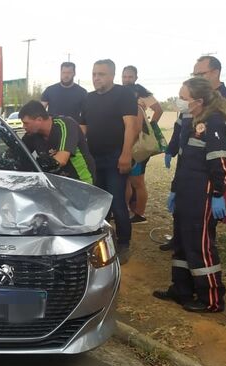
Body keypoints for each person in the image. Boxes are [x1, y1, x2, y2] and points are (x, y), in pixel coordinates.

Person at [153, 77, 226, 313]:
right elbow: (185, 161)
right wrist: (174, 190)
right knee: (181, 241)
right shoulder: (192, 120)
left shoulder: (214, 121)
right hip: (186, 192)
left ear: (198, 101)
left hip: (203, 194)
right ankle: (182, 288)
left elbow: (221, 161)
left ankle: (211, 298)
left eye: (184, 98)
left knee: (200, 245)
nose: (180, 101)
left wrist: (218, 193)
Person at [81, 59, 138, 264]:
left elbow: (130, 126)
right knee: (97, 202)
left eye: (101, 74)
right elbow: (83, 128)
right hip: (93, 158)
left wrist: (125, 154)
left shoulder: (124, 94)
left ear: (112, 75)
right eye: (94, 74)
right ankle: (101, 240)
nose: (96, 78)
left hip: (115, 156)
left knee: (117, 202)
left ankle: (124, 243)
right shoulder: (88, 98)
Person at [122, 66, 165, 224]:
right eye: (124, 76)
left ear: (136, 77)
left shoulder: (143, 94)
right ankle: (125, 209)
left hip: (138, 146)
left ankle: (139, 214)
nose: (127, 79)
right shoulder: (119, 92)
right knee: (126, 179)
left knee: (137, 180)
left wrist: (151, 127)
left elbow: (158, 110)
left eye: (130, 76)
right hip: (125, 142)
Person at [18, 100, 96, 184]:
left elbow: (61, 160)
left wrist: (34, 166)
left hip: (81, 181)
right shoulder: (32, 133)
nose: (24, 127)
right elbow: (17, 154)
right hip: (58, 182)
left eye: (26, 123)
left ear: (39, 120)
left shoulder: (66, 125)